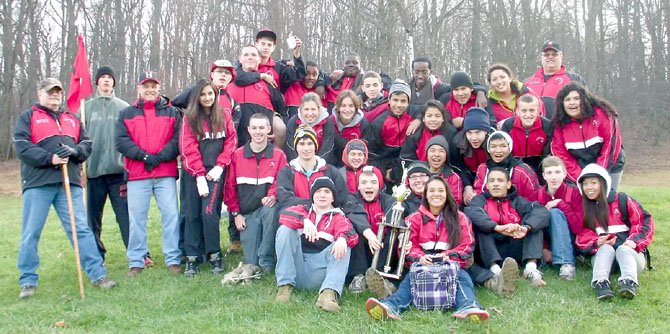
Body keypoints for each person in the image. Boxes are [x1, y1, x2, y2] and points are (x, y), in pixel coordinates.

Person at [14, 78, 116, 299]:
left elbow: (87, 144)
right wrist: (49, 158)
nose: (55, 96)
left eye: (58, 92)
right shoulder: (28, 117)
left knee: (80, 230)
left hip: (69, 183)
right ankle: (28, 281)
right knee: (31, 232)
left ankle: (98, 274)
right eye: (50, 92)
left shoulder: (72, 118)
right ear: (40, 93)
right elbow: (22, 147)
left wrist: (74, 151)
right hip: (38, 183)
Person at [365, 176, 489, 322]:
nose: (436, 194)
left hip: (452, 264)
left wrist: (448, 256)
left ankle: (469, 307)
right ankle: (391, 307)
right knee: (410, 279)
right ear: (425, 194)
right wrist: (420, 258)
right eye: (432, 190)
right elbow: (406, 247)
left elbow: (467, 245)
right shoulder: (413, 219)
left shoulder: (460, 217)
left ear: (447, 193)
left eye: (441, 190)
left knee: (463, 279)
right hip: (423, 265)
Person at [116, 71, 182, 276]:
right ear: (139, 89)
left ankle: (173, 258)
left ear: (159, 88)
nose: (150, 90)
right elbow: (121, 141)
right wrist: (144, 157)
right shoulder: (127, 113)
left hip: (165, 172)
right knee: (137, 218)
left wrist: (161, 157)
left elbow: (178, 138)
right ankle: (137, 259)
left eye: (153, 86)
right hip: (138, 173)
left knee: (171, 215)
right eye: (146, 86)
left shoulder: (172, 112)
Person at [274, 176, 359, 313]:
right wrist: (304, 221)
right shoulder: (301, 209)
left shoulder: (338, 217)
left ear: (333, 198)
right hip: (297, 267)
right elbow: (283, 216)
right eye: (318, 191)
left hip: (318, 272)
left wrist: (342, 239)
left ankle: (328, 294)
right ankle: (284, 287)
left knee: (343, 244)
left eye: (327, 192)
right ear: (312, 195)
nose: (322, 195)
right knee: (285, 229)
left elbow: (351, 233)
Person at [179, 79, 237, 276]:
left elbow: (231, 142)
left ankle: (214, 254)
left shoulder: (224, 115)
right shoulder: (189, 118)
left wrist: (220, 166)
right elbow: (188, 147)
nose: (207, 98)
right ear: (197, 97)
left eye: (210, 94)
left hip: (215, 174)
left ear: (215, 95)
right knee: (191, 214)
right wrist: (198, 174)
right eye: (203, 94)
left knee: (209, 213)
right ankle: (192, 257)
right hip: (193, 174)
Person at [575, 164, 654, 300]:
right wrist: (596, 242)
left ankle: (629, 283)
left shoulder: (623, 200)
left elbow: (644, 222)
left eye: (594, 183)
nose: (589, 188)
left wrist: (634, 242)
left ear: (603, 183)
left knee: (623, 250)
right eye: (585, 184)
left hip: (631, 257)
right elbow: (581, 235)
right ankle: (601, 284)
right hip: (604, 259)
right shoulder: (584, 208)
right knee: (606, 248)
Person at [224, 113, 287, 277]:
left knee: (271, 209)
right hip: (247, 213)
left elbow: (281, 181)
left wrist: (273, 195)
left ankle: (267, 260)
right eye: (254, 128)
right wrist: (236, 214)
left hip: (267, 210)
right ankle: (257, 258)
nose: (258, 132)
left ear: (268, 129)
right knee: (250, 261)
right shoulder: (237, 155)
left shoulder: (279, 155)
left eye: (261, 128)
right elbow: (229, 188)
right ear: (248, 130)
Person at [465, 168, 550, 288]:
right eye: (492, 181)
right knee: (481, 226)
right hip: (490, 248)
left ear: (508, 184)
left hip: (515, 243)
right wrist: (497, 227)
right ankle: (496, 271)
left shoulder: (517, 201)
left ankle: (530, 269)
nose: (495, 184)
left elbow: (541, 212)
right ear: (487, 185)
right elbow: (471, 212)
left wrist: (526, 228)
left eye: (500, 180)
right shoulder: (479, 200)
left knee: (534, 225)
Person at [82, 66, 131, 261]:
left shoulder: (122, 107)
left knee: (125, 216)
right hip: (93, 173)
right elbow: (78, 139)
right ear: (97, 82)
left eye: (109, 77)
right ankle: (96, 254)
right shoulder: (85, 108)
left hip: (117, 172)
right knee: (92, 218)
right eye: (102, 77)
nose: (106, 80)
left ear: (114, 82)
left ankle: (137, 253)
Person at [551, 82, 625, 190]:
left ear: (584, 99)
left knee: (607, 199)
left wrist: (598, 174)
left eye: (576, 98)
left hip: (610, 163)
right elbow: (562, 155)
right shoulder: (559, 124)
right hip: (579, 167)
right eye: (567, 100)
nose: (572, 103)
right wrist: (582, 178)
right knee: (582, 201)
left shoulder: (603, 114)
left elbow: (611, 146)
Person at [529, 156, 583, 280]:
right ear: (543, 175)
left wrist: (560, 203)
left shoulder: (574, 193)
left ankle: (566, 262)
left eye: (557, 172)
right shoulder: (536, 196)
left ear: (564, 174)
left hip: (570, 238)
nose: (554, 177)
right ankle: (543, 258)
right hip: (547, 239)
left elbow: (577, 227)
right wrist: (544, 248)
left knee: (555, 213)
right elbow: (533, 224)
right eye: (549, 173)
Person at [227, 45, 287, 148]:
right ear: (240, 59)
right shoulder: (229, 80)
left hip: (262, 135)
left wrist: (275, 130)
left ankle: (276, 160)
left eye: (253, 55)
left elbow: (282, 110)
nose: (250, 57)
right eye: (246, 55)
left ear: (259, 60)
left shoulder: (268, 82)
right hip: (235, 133)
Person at [348, 166, 394, 295]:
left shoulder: (389, 200)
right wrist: (368, 234)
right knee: (353, 229)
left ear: (379, 185)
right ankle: (358, 276)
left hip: (382, 248)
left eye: (373, 182)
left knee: (393, 234)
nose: (368, 186)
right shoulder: (351, 199)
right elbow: (355, 214)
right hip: (362, 249)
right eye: (364, 182)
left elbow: (393, 219)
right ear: (358, 186)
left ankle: (380, 275)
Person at [368, 79, 413, 189]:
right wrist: (384, 171)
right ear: (389, 100)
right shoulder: (378, 123)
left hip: (404, 163)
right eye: (395, 100)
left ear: (408, 102)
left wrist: (419, 120)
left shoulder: (412, 119)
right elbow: (372, 155)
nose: (398, 105)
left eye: (403, 101)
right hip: (384, 164)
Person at [524, 41, 586, 119]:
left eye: (554, 54)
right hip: (534, 129)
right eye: (546, 55)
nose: (550, 57)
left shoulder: (574, 79)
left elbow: (586, 105)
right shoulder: (527, 82)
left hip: (562, 128)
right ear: (541, 57)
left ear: (561, 56)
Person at [473, 131, 540, 200]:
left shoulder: (522, 171)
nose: (498, 150)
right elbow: (478, 192)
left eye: (503, 146)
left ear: (509, 148)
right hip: (486, 208)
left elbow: (534, 197)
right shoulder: (483, 168)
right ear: (488, 149)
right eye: (493, 146)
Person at [500, 94, 552, 175]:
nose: (528, 115)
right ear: (517, 111)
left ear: (538, 110)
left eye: (532, 110)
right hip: (514, 166)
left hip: (539, 167)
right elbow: (505, 152)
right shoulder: (509, 125)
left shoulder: (546, 125)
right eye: (524, 111)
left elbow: (547, 155)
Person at [451, 107, 493, 205]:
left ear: (486, 131)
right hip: (468, 176)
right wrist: (467, 187)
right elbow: (458, 168)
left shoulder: (495, 142)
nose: (473, 138)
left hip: (489, 177)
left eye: (478, 132)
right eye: (469, 133)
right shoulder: (457, 143)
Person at [284, 92, 336, 164]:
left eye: (313, 109)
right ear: (301, 109)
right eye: (306, 109)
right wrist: (300, 165)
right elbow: (291, 148)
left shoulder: (327, 122)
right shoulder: (293, 122)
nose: (310, 113)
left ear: (319, 109)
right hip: (299, 163)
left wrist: (316, 165)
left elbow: (327, 148)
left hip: (321, 161)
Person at [423, 136, 464, 206]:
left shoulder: (453, 177)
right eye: (432, 150)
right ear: (427, 154)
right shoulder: (418, 173)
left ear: (446, 156)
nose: (437, 154)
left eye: (441, 151)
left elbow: (455, 203)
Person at [331, 90, 369, 166]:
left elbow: (364, 149)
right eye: (343, 106)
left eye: (351, 106)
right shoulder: (330, 122)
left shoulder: (362, 123)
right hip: (332, 162)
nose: (347, 110)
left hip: (353, 163)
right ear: (338, 107)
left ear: (356, 108)